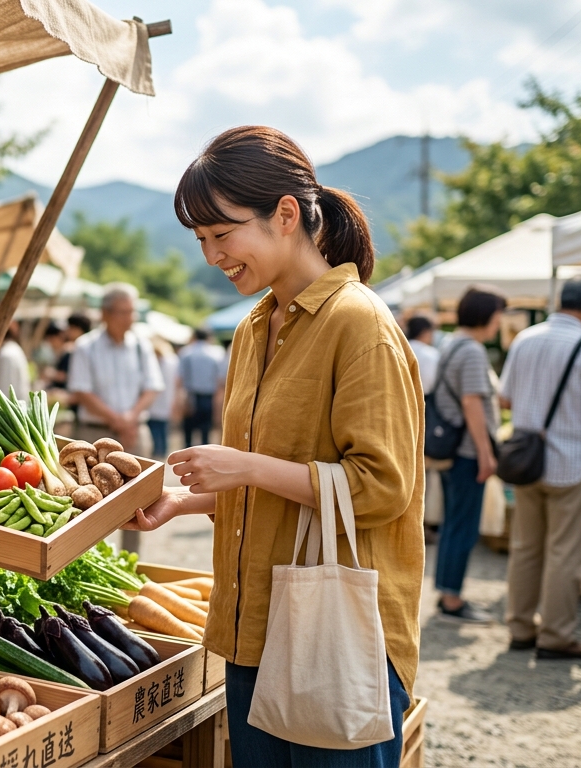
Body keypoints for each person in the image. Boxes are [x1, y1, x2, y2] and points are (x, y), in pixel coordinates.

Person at [129, 126, 422, 767]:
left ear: (285, 215)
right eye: (201, 240)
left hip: (333, 637)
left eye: (222, 234)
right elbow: (268, 490)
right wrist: (183, 503)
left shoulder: (359, 322)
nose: (212, 256)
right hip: (249, 631)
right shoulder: (252, 330)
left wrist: (245, 465)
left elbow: (381, 488)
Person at [499, 275, 581, 660]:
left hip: (527, 462)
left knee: (525, 548)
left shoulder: (525, 339)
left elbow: (506, 400)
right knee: (564, 554)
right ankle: (556, 637)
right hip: (570, 463)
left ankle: (521, 628)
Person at [431, 287, 506, 624]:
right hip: (467, 451)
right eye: (498, 315)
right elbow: (472, 403)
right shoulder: (472, 351)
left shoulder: (450, 344)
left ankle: (447, 591)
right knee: (463, 526)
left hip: (453, 449)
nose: (499, 322)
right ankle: (452, 599)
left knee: (453, 524)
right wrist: (486, 453)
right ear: (485, 315)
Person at [67, 284, 165, 456]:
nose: (129, 318)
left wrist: (130, 418)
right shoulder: (86, 346)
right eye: (123, 312)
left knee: (142, 483)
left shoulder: (142, 346)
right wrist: (117, 421)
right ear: (105, 313)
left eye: (131, 312)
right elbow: (82, 391)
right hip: (95, 435)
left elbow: (153, 386)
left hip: (134, 434)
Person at [175, 328, 223, 446]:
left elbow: (179, 378)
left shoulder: (186, 352)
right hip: (208, 396)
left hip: (190, 395)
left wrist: (178, 399)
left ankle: (186, 458)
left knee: (188, 431)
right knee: (205, 430)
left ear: (194, 337)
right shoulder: (216, 353)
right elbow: (219, 379)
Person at [146, 334, 180, 458]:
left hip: (154, 402)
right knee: (163, 429)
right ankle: (162, 453)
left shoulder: (153, 361)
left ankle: (158, 452)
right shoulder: (173, 361)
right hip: (165, 400)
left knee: (155, 429)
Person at [406, 316, 439, 392]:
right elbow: (430, 383)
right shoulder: (431, 353)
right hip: (424, 397)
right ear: (425, 332)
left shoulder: (401, 350)